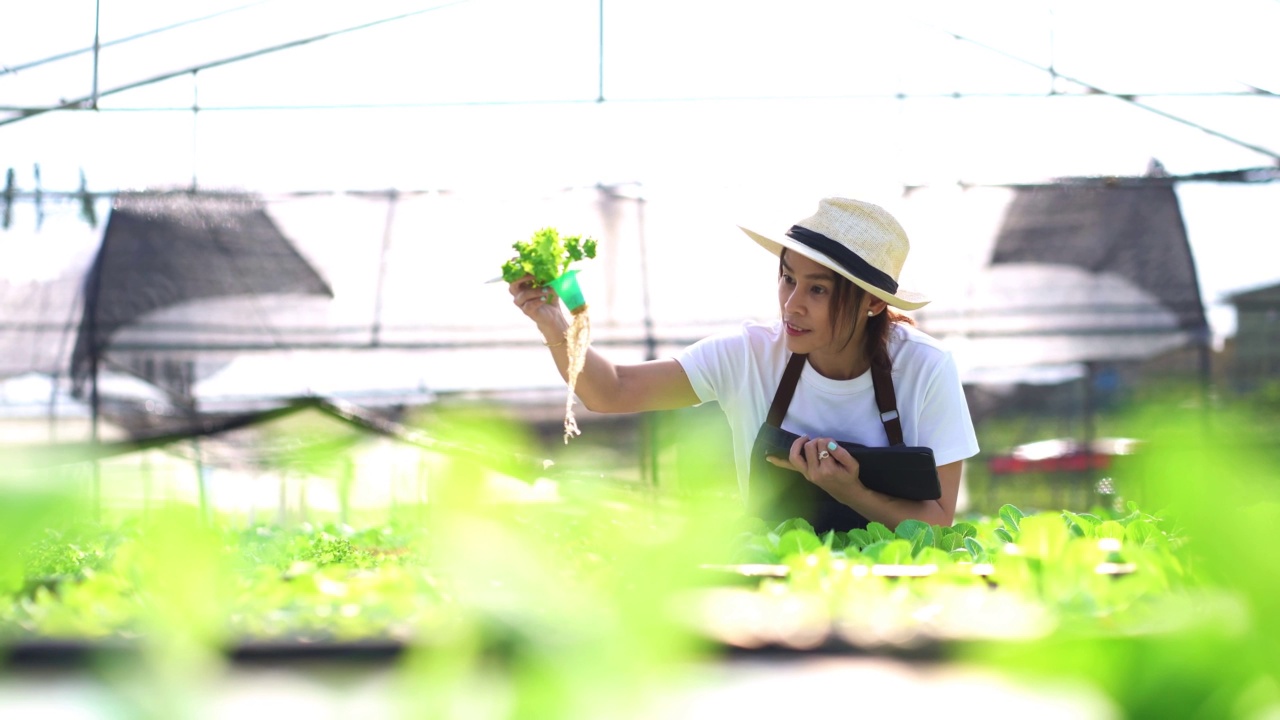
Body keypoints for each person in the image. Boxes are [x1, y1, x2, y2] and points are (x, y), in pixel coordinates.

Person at [509, 197, 978, 531]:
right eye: (788, 279)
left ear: (873, 305)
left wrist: (851, 491)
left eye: (818, 290)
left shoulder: (925, 369)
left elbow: (935, 524)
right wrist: (552, 321)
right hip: (773, 579)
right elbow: (610, 391)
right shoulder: (750, 355)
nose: (792, 304)